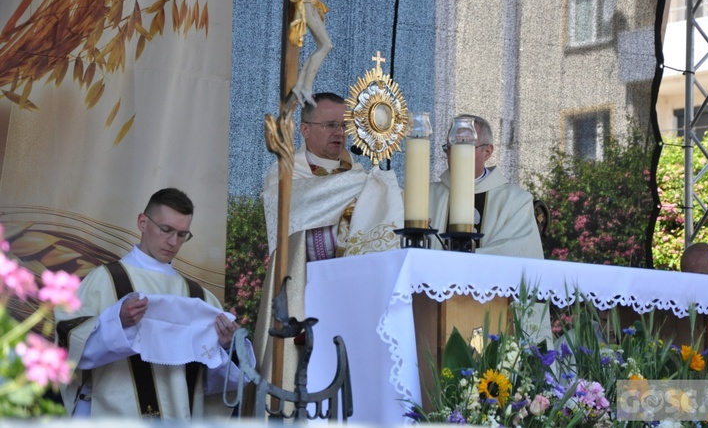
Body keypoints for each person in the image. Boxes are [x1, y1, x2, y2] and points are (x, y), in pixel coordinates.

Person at [54, 188, 254, 419]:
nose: (173, 242)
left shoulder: (199, 297)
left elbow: (217, 385)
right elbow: (69, 350)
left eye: (182, 235)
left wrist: (228, 346)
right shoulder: (105, 280)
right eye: (166, 230)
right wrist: (116, 323)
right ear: (142, 222)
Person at [257, 92, 402, 391]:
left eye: (344, 125)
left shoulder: (362, 177)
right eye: (330, 125)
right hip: (301, 290)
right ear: (305, 129)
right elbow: (292, 216)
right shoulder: (284, 176)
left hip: (351, 294)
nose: (339, 132)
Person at [428, 114, 544, 259]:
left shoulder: (516, 201)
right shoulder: (427, 197)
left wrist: (460, 258)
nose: (456, 155)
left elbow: (518, 252)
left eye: (465, 146)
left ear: (487, 152)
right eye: (451, 148)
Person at [270, 0, 355, 107]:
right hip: (306, 3)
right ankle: (306, 88)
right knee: (326, 45)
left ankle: (299, 87)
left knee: (322, 46)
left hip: (315, 5)